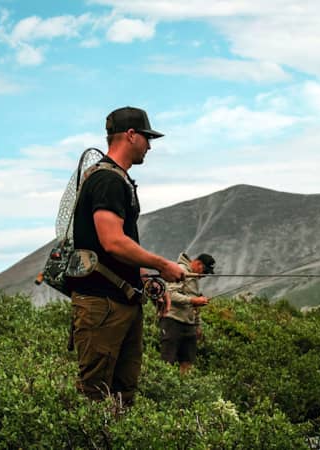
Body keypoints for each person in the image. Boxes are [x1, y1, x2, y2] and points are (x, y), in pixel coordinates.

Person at [68, 106, 185, 406]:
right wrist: (162, 265)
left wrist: (148, 281)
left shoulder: (118, 179)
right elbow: (112, 242)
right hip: (103, 305)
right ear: (131, 135)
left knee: (123, 395)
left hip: (121, 302)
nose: (150, 146)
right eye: (147, 138)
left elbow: (121, 246)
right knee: (95, 396)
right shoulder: (107, 181)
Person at [160, 252, 215, 375]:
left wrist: (197, 325)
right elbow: (170, 294)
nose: (204, 275)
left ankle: (184, 385)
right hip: (172, 321)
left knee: (188, 362)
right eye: (205, 271)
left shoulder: (194, 278)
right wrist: (193, 300)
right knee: (167, 360)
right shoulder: (180, 271)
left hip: (189, 325)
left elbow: (194, 305)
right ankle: (164, 384)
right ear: (198, 264)